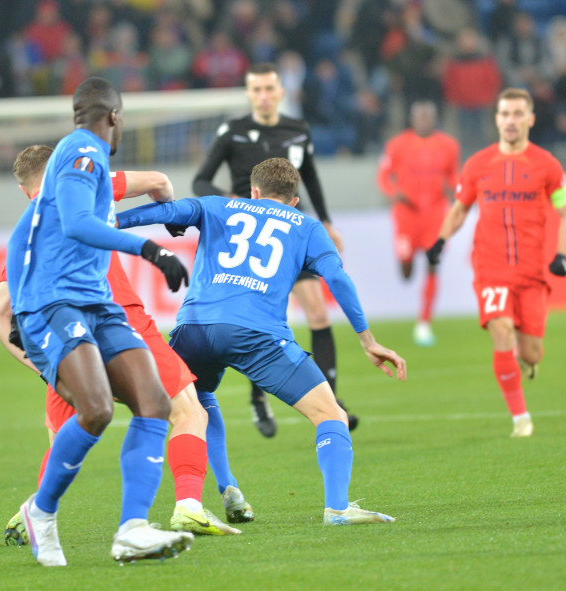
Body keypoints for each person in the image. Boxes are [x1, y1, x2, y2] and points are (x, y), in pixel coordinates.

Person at [118, 157, 406, 524]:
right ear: (294, 199)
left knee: (197, 402)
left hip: (194, 328)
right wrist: (367, 340)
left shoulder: (216, 205)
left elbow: (166, 210)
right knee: (330, 413)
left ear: (253, 192)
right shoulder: (307, 226)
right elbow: (339, 280)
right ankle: (336, 507)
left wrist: (108, 224)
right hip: (256, 335)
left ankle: (228, 489)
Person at [0, 147, 243, 546]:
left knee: (65, 436)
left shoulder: (24, 236)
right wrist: (171, 213)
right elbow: (159, 181)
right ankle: (187, 506)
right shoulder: (91, 188)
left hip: (68, 344)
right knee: (187, 410)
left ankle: (33, 513)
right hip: (120, 323)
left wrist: (47, 370)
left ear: (25, 192)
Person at [6, 76, 194, 567]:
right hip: (54, 302)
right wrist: (151, 248)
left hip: (96, 300)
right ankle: (40, 513)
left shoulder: (88, 162)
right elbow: (76, 223)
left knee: (154, 403)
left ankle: (132, 528)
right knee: (96, 411)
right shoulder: (83, 153)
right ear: (115, 116)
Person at [192, 62, 356, 439]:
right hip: (249, 240)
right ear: (248, 94)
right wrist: (232, 200)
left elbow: (310, 176)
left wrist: (327, 220)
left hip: (289, 234)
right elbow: (201, 178)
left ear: (281, 91)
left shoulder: (298, 131)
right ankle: (259, 399)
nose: (263, 96)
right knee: (261, 320)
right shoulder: (232, 131)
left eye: (269, 88)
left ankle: (330, 397)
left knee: (318, 312)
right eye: (256, 90)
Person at [427, 88, 566, 438]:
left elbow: (564, 211)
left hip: (532, 272)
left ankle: (526, 355)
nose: (511, 121)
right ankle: (520, 417)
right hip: (490, 268)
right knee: (500, 328)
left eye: (518, 114)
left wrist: (561, 253)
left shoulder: (548, 165)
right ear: (497, 119)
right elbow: (459, 209)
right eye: (505, 114)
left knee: (532, 354)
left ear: (531, 119)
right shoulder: (477, 164)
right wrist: (440, 241)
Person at [377, 100, 460, 346]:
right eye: (419, 117)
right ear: (412, 120)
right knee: (406, 270)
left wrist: (456, 188)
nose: (423, 121)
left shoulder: (448, 145)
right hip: (407, 215)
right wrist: (393, 192)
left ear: (434, 119)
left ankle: (424, 323)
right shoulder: (397, 145)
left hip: (435, 214)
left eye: (428, 116)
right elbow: (383, 175)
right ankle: (405, 259)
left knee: (433, 262)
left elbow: (454, 174)